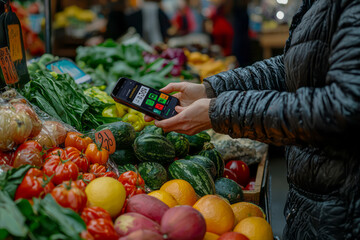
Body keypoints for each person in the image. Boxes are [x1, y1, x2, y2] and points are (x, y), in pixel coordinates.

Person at [145, 0, 360, 238]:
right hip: (319, 199)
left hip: (345, 209)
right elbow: (290, 68)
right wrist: (211, 90)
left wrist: (220, 111)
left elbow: (342, 108)